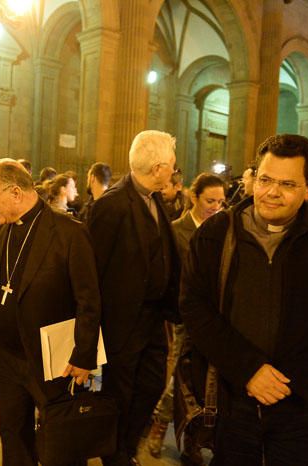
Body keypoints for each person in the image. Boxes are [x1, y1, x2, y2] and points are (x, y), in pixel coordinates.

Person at [180, 134, 308, 465]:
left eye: (287, 184)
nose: (272, 192)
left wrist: (291, 382)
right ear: (253, 177)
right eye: (265, 179)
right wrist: (248, 369)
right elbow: (195, 309)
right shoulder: (214, 235)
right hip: (233, 399)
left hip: (302, 408)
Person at [0, 159, 102, 465]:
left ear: (15, 192)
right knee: (12, 434)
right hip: (7, 356)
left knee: (60, 442)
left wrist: (84, 356)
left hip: (50, 357)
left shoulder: (69, 233)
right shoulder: (5, 229)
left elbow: (89, 300)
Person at [87, 130, 180, 466]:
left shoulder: (154, 199)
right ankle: (116, 454)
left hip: (153, 318)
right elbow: (92, 271)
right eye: (171, 165)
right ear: (157, 168)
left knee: (153, 383)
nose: (174, 171)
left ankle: (126, 443)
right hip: (121, 323)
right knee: (119, 394)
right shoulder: (111, 205)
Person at [146, 173, 226, 464]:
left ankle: (193, 439)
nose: (216, 206)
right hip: (185, 315)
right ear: (194, 197)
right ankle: (159, 423)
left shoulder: (223, 230)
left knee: (207, 382)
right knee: (180, 375)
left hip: (216, 317)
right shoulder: (178, 230)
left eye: (220, 201)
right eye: (210, 201)